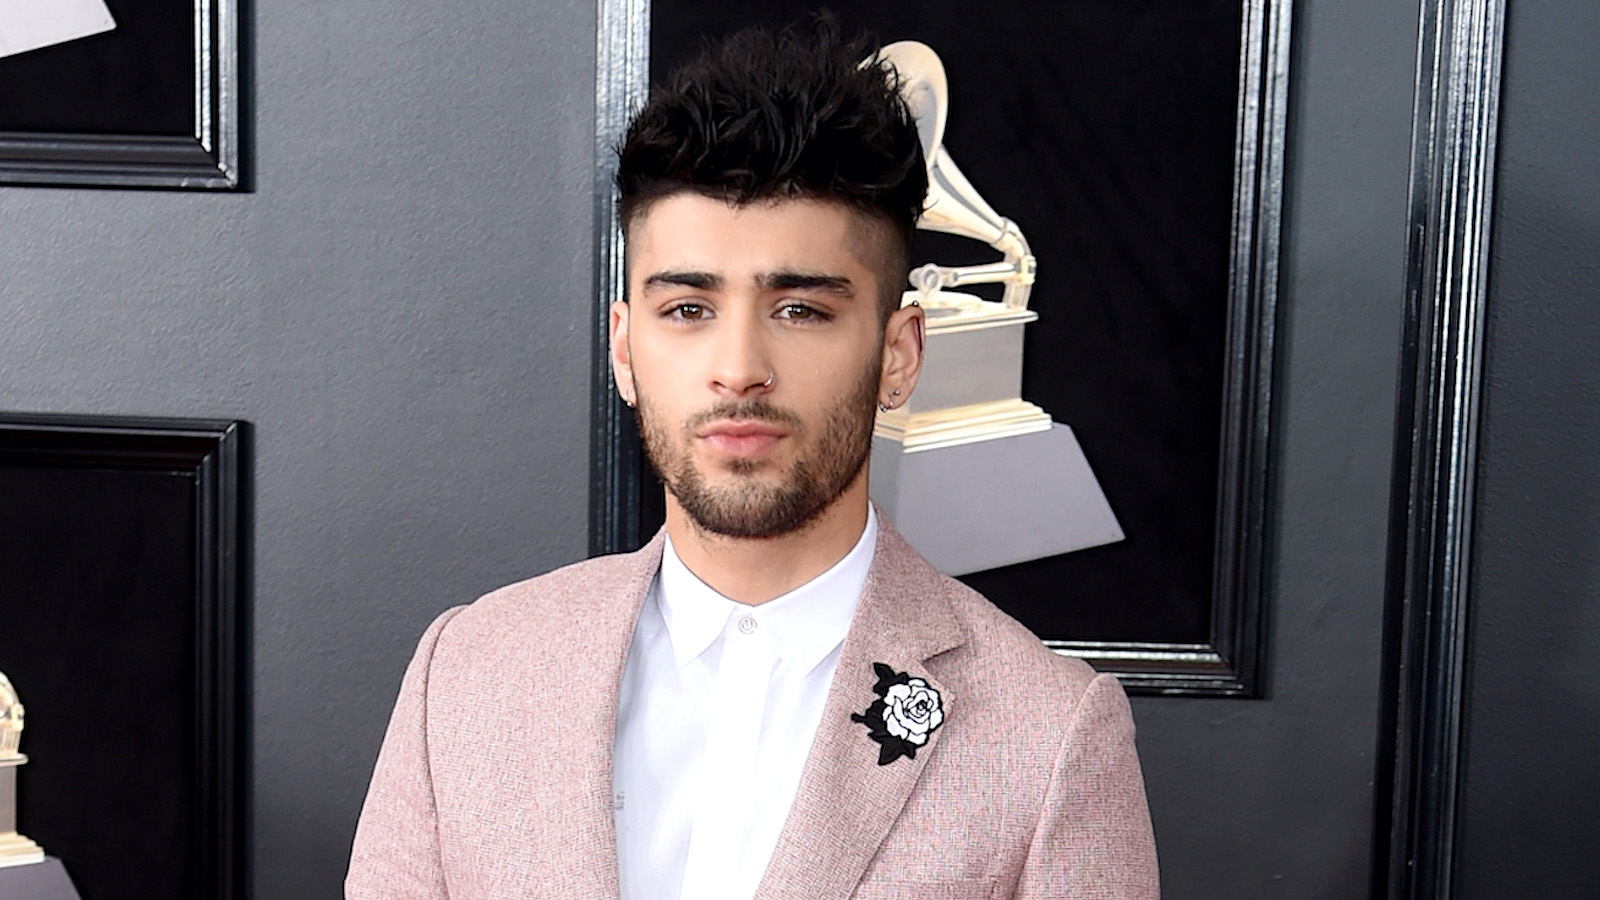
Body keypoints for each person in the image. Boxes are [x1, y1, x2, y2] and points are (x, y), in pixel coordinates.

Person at [347, 19, 1157, 900]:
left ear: (898, 355)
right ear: (624, 349)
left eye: (801, 310)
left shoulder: (1050, 737)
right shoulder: (465, 675)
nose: (738, 367)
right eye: (688, 309)